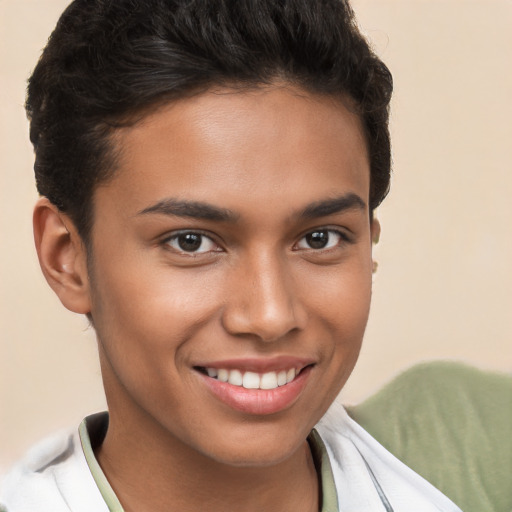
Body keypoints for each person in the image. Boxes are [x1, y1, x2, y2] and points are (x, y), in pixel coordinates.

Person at [0, 0, 462, 510]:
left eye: (320, 238)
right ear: (67, 258)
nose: (270, 316)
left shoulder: (460, 468)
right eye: (191, 242)